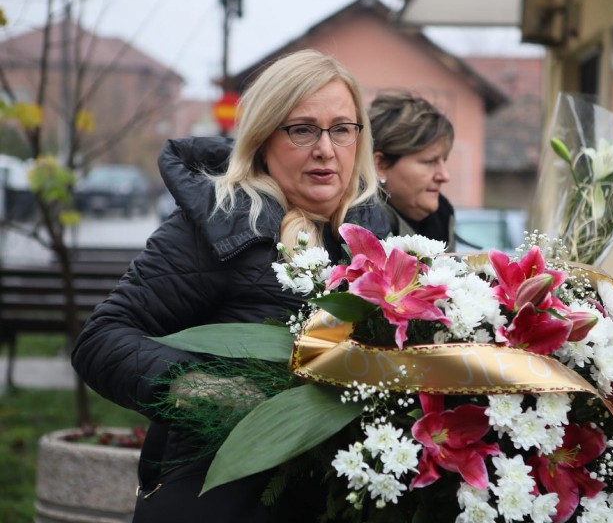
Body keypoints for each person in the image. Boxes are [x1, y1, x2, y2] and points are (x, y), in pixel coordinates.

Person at [71, 49, 390, 522]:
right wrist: (203, 390)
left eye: (342, 129)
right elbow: (101, 340)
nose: (326, 149)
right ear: (263, 139)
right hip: (218, 500)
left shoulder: (372, 232)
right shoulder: (221, 221)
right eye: (303, 130)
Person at [368, 92, 457, 250]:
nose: (444, 176)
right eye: (429, 161)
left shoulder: (441, 220)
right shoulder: (355, 231)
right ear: (380, 165)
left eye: (444, 160)